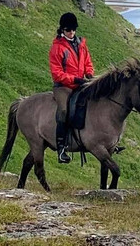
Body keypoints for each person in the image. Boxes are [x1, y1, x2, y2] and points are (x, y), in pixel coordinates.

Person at [48, 11, 94, 164]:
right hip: (63, 87)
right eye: (68, 30)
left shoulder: (81, 44)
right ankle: (61, 148)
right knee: (63, 110)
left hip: (81, 83)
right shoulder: (57, 48)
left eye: (73, 29)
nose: (72, 32)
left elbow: (87, 62)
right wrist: (75, 79)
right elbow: (57, 74)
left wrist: (89, 74)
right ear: (62, 30)